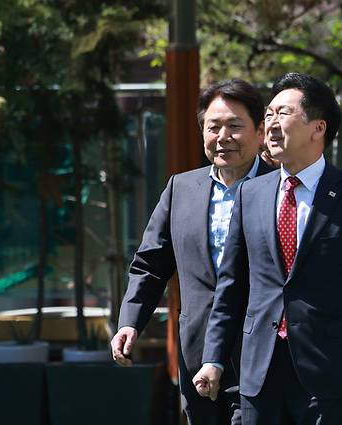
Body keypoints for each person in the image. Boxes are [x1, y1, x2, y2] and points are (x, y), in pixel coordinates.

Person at [192, 72, 342, 425]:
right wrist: (213, 358)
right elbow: (231, 286)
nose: (271, 124)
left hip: (329, 373)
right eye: (268, 115)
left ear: (318, 127)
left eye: (282, 114)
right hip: (259, 372)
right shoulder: (250, 193)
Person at [111, 79, 274, 425]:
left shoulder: (279, 189)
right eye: (213, 127)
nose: (223, 136)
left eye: (234, 126)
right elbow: (151, 264)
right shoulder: (180, 188)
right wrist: (130, 321)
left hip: (261, 351)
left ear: (260, 132)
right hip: (196, 351)